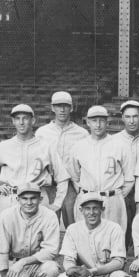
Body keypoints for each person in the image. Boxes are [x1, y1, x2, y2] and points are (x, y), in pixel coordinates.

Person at [0, 104, 69, 218]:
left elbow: (62, 177)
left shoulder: (46, 146)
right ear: (13, 121)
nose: (21, 122)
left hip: (37, 199)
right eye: (17, 118)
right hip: (11, 199)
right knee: (8, 234)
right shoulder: (4, 146)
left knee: (39, 235)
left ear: (33, 120)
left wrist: (57, 203)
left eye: (25, 118)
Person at [53, 192, 133, 277]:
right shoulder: (73, 229)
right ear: (81, 210)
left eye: (95, 208)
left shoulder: (114, 228)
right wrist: (72, 270)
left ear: (102, 209)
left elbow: (119, 262)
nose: (92, 212)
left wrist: (93, 271)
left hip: (107, 275)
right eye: (87, 208)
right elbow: (68, 258)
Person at [0, 182, 61, 277]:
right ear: (18, 199)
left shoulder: (50, 216)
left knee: (52, 269)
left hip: (37, 264)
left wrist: (23, 262)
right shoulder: (6, 216)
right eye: (25, 198)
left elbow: (51, 250)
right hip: (13, 266)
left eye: (33, 198)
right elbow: (0, 251)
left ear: (40, 199)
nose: (29, 202)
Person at [69, 105, 133, 232]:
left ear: (107, 121)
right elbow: (75, 177)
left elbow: (129, 179)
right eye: (94, 120)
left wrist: (116, 194)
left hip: (112, 200)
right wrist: (86, 192)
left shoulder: (120, 145)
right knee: (86, 241)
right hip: (87, 200)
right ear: (87, 122)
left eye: (101, 120)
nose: (98, 124)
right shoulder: (78, 146)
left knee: (113, 240)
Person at [35, 91, 88, 226]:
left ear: (71, 108)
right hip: (49, 184)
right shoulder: (42, 132)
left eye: (66, 106)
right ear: (52, 107)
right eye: (58, 106)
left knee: (73, 224)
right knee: (47, 225)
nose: (62, 109)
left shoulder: (81, 133)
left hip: (71, 184)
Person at [113, 100, 139, 247]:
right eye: (128, 117)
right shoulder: (114, 140)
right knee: (121, 234)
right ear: (122, 117)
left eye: (135, 116)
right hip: (123, 192)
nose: (132, 121)